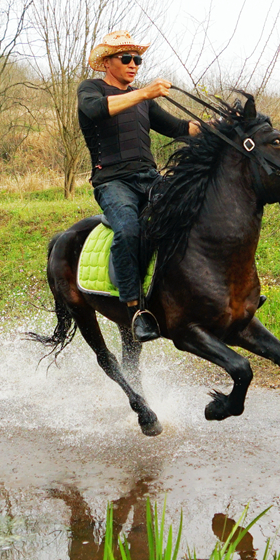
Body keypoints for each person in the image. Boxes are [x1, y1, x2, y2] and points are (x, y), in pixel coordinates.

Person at [77, 31, 200, 342]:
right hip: (112, 182)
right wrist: (145, 93)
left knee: (195, 209)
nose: (134, 64)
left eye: (138, 59)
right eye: (127, 59)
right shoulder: (90, 89)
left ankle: (205, 291)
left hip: (148, 177)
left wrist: (216, 128)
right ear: (107, 62)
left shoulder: (142, 100)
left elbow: (180, 129)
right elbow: (98, 110)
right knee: (129, 229)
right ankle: (136, 311)